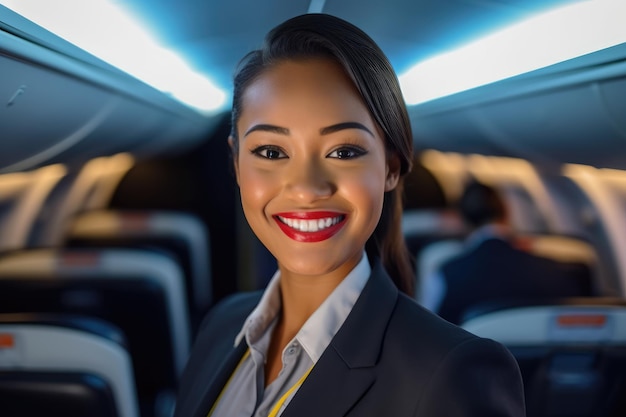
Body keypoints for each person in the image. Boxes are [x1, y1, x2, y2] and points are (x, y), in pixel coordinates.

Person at [174, 14, 525, 417]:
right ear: (236, 163)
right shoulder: (222, 327)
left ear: (391, 167)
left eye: (343, 152)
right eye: (271, 152)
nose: (307, 188)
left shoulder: (451, 371)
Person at [420, 180, 593, 324]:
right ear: (506, 211)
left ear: (463, 220)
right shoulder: (558, 272)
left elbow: (429, 329)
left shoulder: (445, 274)